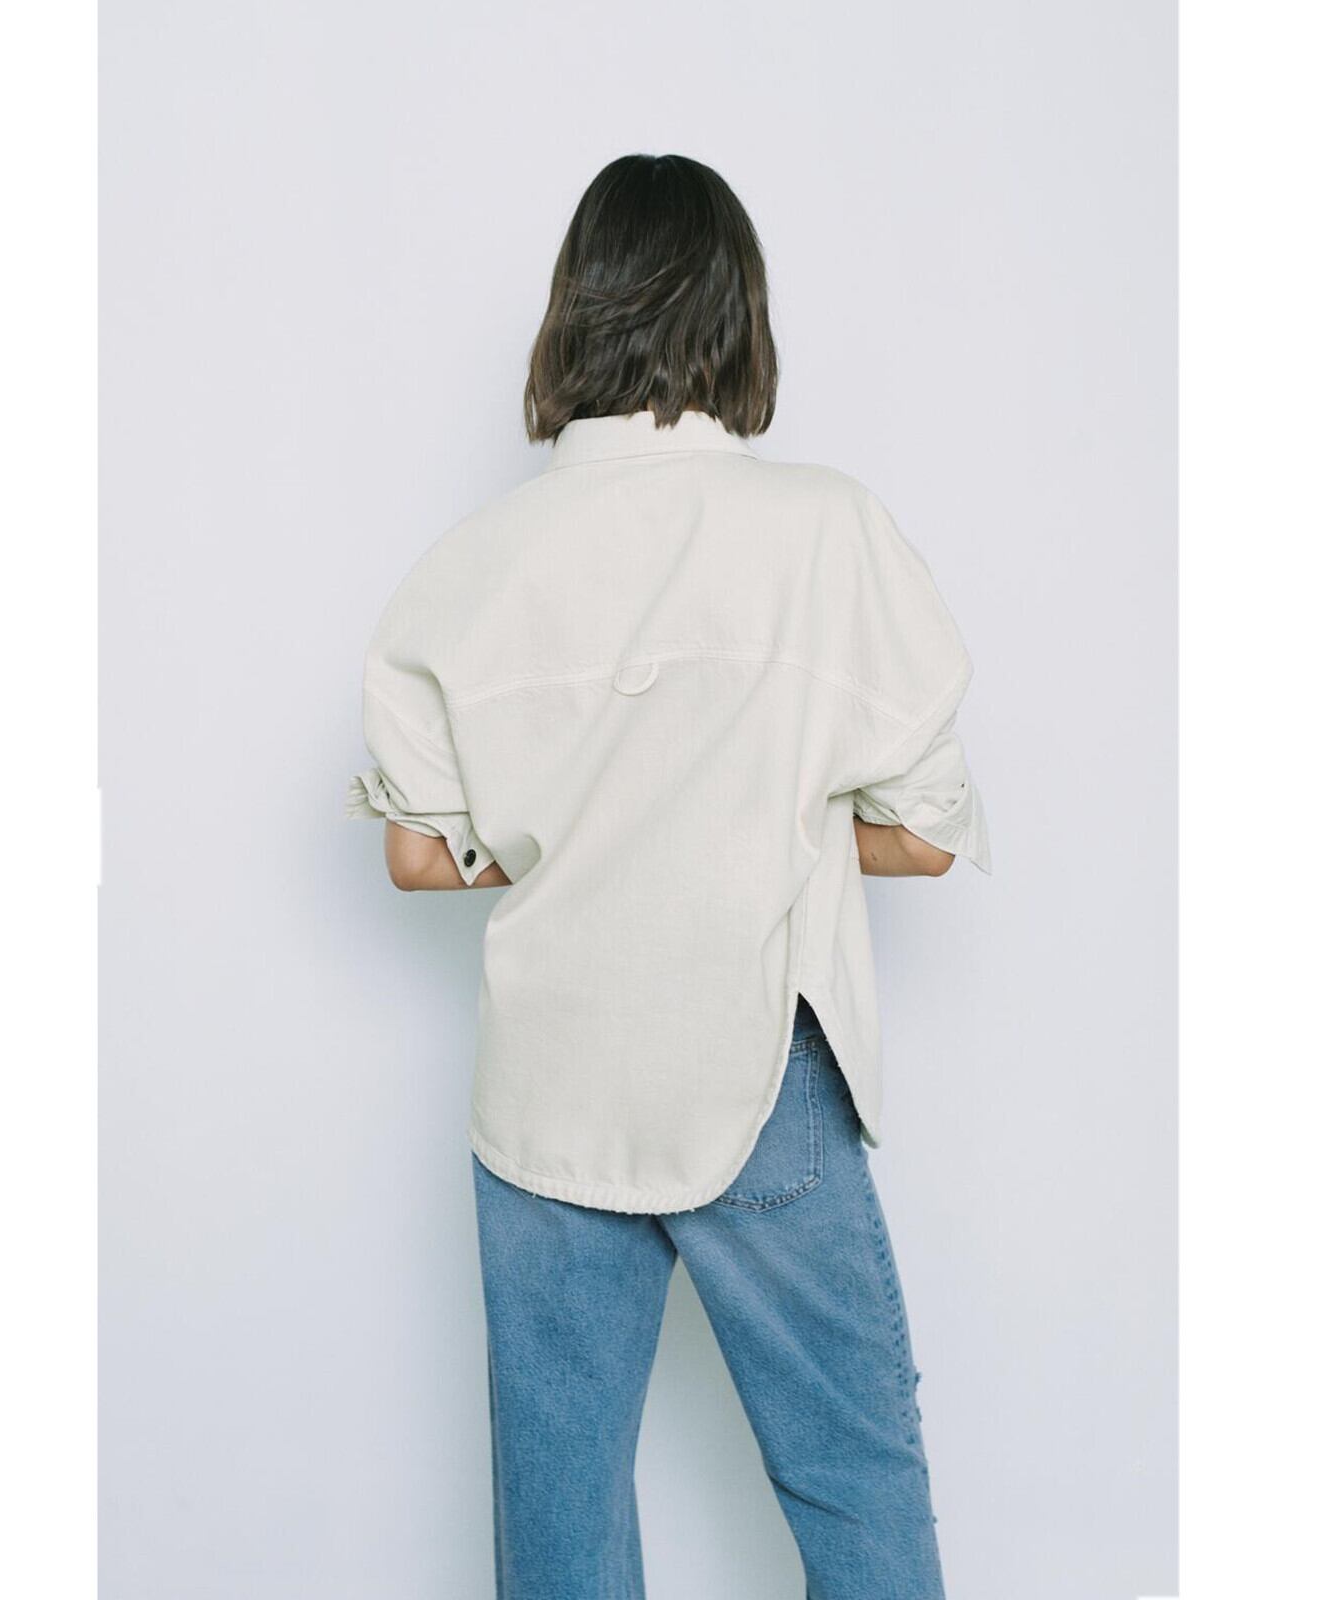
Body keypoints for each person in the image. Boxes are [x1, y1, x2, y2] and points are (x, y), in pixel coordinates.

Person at [348, 153, 988, 1600]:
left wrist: (590, 822)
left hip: (546, 1094)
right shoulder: (827, 532)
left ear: (571, 313)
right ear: (737, 314)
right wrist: (760, 820)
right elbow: (927, 835)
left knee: (559, 1527)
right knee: (853, 1486)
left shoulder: (466, 567)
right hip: (758, 1067)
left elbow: (414, 854)